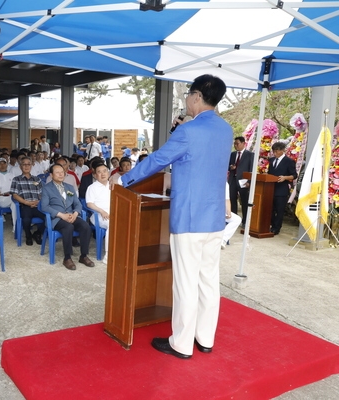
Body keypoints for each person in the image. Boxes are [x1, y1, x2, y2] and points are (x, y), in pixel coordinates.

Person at [121, 74, 233, 359]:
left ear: (196, 96)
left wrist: (124, 180)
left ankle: (181, 343)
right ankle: (205, 338)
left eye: (187, 96)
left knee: (185, 281)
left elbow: (158, 159)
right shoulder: (226, 130)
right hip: (214, 218)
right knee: (208, 279)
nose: (186, 101)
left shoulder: (188, 130)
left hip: (189, 218)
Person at [40, 163, 94, 270]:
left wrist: (75, 213)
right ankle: (67, 258)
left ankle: (83, 256)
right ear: (51, 175)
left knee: (85, 226)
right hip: (56, 218)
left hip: (70, 216)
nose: (61, 174)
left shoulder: (69, 187)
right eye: (57, 172)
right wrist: (61, 215)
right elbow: (44, 207)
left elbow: (77, 203)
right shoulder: (47, 188)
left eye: (62, 172)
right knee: (68, 227)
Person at [10, 156, 45, 246]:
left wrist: (38, 202)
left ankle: (37, 234)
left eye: (28, 164)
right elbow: (15, 195)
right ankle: (28, 235)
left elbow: (43, 193)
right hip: (25, 205)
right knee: (26, 220)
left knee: (50, 217)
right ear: (20, 166)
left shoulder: (37, 179)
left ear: (31, 166)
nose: (26, 166)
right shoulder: (16, 179)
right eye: (24, 164)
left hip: (38, 205)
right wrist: (27, 203)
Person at [268, 141, 297, 235]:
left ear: (282, 151)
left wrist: (285, 177)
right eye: (273, 151)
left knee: (279, 210)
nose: (274, 153)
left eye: (276, 151)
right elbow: (270, 173)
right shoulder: (271, 160)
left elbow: (294, 175)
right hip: (271, 188)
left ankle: (276, 228)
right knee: (270, 208)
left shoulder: (289, 161)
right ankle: (271, 224)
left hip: (281, 189)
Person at [85, 163, 111, 264]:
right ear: (95, 175)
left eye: (105, 171)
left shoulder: (114, 185)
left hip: (114, 214)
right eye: (99, 172)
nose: (102, 174)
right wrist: (101, 211)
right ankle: (108, 255)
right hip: (99, 216)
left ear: (108, 173)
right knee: (112, 225)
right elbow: (89, 204)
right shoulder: (92, 187)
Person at [228, 136, 254, 226]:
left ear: (243, 143)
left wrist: (249, 182)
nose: (235, 146)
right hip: (233, 180)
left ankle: (245, 221)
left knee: (244, 200)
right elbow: (228, 166)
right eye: (234, 144)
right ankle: (233, 219)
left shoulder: (250, 155)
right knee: (232, 199)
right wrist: (231, 167)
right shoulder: (233, 154)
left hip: (244, 181)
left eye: (237, 143)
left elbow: (252, 169)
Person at [222, 182, 242, 249]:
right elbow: (227, 200)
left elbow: (227, 200)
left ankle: (223, 239)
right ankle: (223, 239)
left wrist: (229, 212)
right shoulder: (224, 183)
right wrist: (228, 212)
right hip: (217, 211)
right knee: (237, 220)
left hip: (218, 210)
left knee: (236, 219)